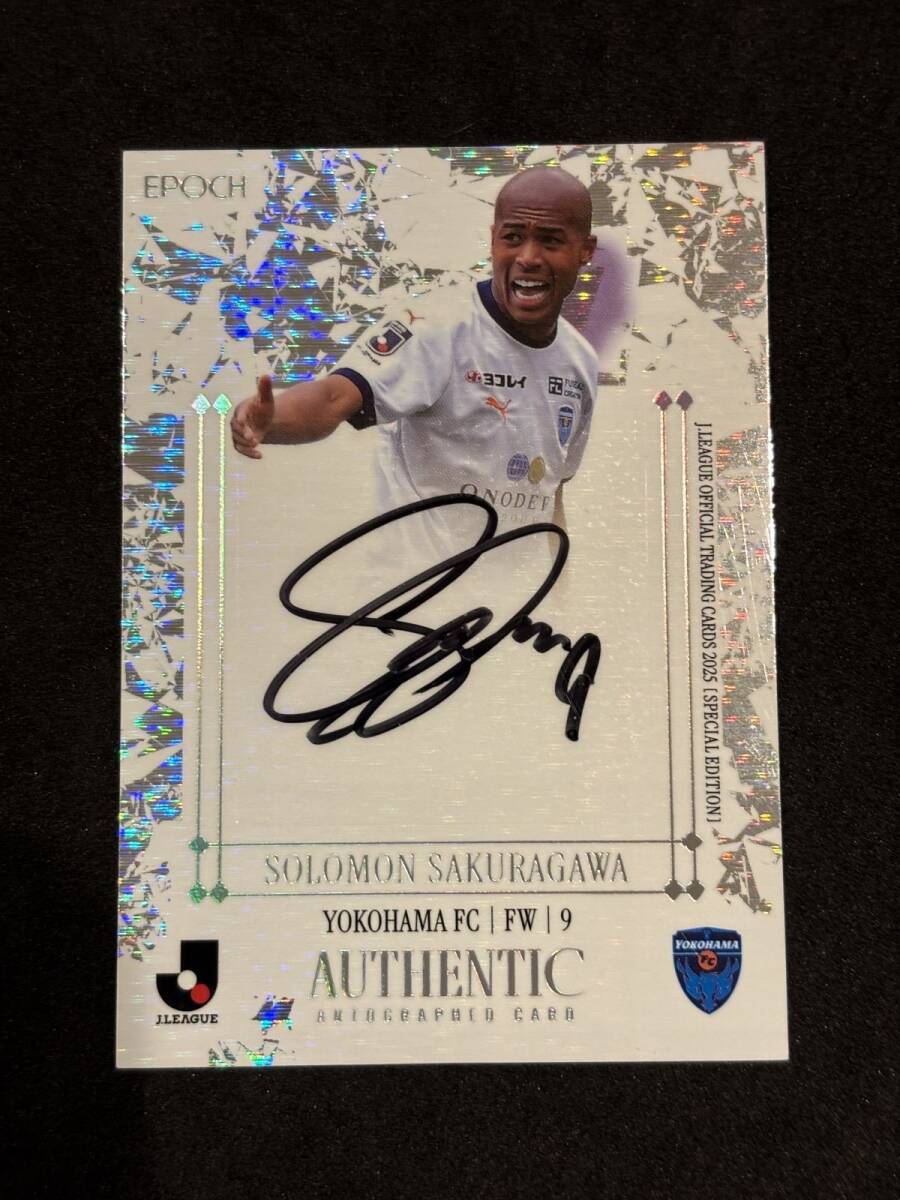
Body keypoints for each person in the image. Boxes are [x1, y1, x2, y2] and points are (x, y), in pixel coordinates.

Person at [231, 166, 599, 553]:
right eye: (512, 237)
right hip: (423, 585)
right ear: (493, 240)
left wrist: (559, 583)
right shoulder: (435, 327)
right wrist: (269, 420)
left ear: (585, 251)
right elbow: (335, 396)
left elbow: (551, 493)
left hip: (518, 588)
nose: (528, 257)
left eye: (550, 241)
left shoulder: (581, 361)